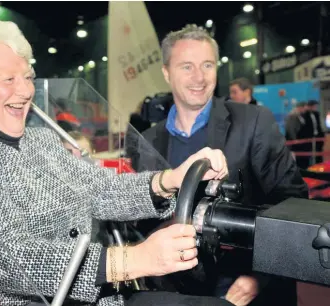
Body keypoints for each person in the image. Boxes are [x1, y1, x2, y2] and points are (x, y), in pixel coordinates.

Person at [0, 19, 232, 306]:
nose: (25, 90)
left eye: (28, 76)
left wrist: (169, 180)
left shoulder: (41, 140)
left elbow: (101, 190)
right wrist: (131, 260)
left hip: (100, 297)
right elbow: (7, 256)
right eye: (8, 79)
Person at [128, 24, 309, 306]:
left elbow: (292, 202)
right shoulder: (148, 140)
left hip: (244, 285)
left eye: (207, 65)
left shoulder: (253, 122)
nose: (199, 77)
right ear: (166, 72)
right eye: (186, 67)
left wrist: (259, 277)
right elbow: (143, 215)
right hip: (179, 291)